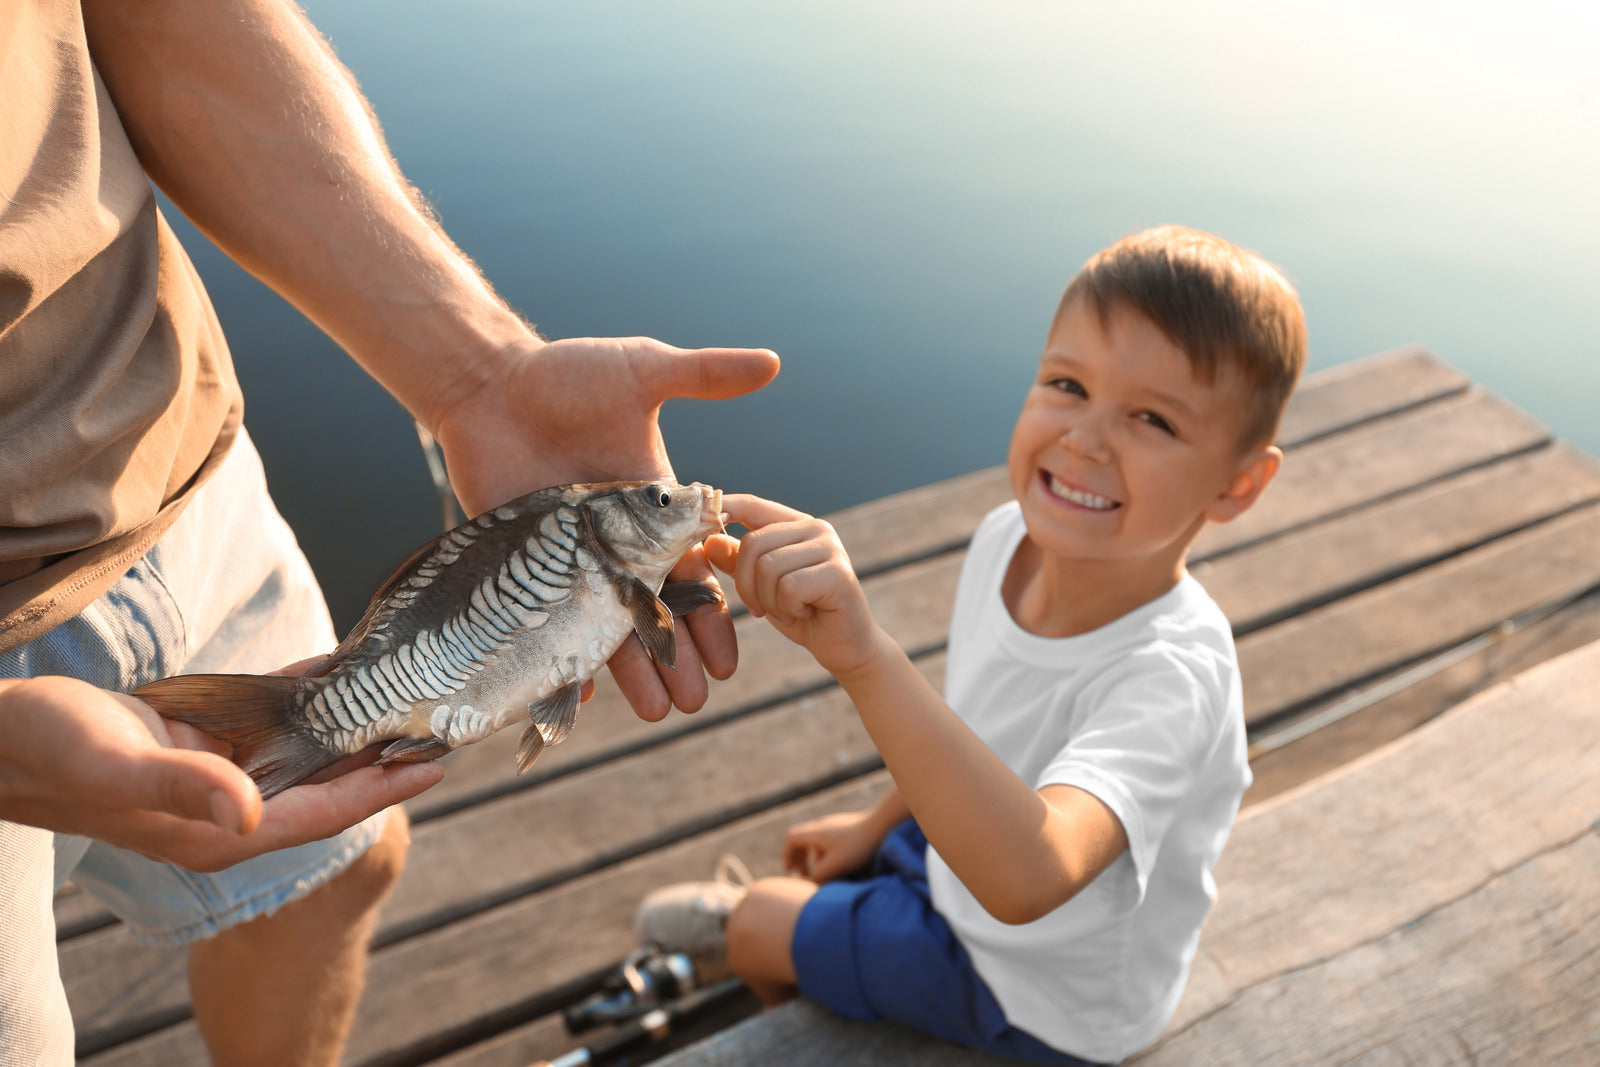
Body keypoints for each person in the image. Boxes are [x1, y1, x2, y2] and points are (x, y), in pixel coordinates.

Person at [0, 2, 778, 1065]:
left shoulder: (601, 559)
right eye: (652, 509)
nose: (677, 502)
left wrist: (475, 375)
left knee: (330, 870)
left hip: (171, 456)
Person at [636, 226, 1305, 1064]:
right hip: (976, 864)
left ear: (1237, 483)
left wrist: (864, 656)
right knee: (822, 867)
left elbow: (1033, 878)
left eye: (1154, 419)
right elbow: (984, 725)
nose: (1086, 440)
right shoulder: (1007, 539)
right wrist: (880, 824)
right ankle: (835, 947)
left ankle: (793, 1002)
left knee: (764, 920)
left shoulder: (1173, 677)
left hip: (1040, 994)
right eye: (1067, 384)